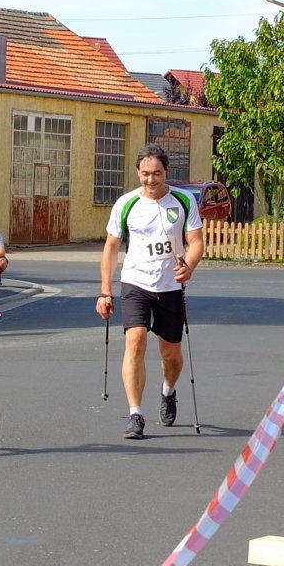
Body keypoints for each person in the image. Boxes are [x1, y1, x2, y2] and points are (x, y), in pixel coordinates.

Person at [96, 144, 204, 440]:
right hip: (136, 282)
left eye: (156, 173)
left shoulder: (182, 201)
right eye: (145, 173)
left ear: (166, 172)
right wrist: (105, 291)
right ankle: (135, 414)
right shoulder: (126, 203)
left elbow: (196, 241)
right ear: (137, 172)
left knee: (171, 354)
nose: (151, 179)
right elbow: (111, 247)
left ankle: (168, 391)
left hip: (170, 285)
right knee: (135, 340)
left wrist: (190, 266)